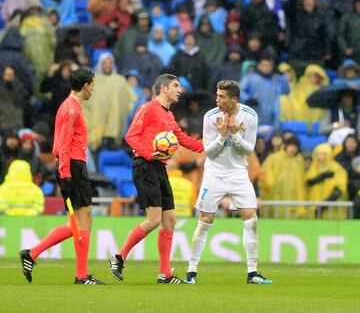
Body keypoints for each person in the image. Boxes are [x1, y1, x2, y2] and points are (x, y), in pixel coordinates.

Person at [108, 74, 203, 284]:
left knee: (170, 220)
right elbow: (131, 136)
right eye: (176, 86)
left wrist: (210, 146)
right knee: (154, 220)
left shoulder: (169, 115)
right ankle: (119, 257)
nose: (180, 90)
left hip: (159, 168)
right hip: (145, 166)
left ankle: (165, 273)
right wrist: (150, 154)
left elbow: (183, 139)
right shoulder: (148, 108)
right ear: (163, 88)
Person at [19, 68, 106, 285]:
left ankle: (32, 253)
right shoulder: (72, 110)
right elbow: (64, 145)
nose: (93, 89)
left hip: (72, 166)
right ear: (86, 85)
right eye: (93, 85)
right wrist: (66, 175)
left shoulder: (70, 106)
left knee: (76, 222)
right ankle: (81, 275)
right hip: (73, 167)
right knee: (84, 219)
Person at [184, 80, 272, 285]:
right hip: (214, 173)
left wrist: (234, 133)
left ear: (234, 99)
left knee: (251, 218)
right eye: (217, 95)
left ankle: (252, 273)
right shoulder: (210, 117)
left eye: (222, 97)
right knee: (205, 219)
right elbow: (209, 152)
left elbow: (248, 150)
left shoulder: (250, 116)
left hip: (239, 173)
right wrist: (223, 136)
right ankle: (191, 272)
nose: (217, 100)